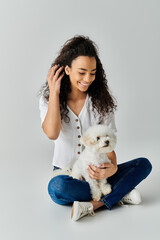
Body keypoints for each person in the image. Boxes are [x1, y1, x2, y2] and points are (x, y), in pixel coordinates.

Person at [38, 35, 152, 221]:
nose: (88, 78)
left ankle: (94, 204)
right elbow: (52, 133)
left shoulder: (101, 102)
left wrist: (112, 170)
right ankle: (120, 194)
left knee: (144, 164)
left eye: (92, 72)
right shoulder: (48, 100)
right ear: (67, 69)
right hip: (68, 174)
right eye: (82, 72)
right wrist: (54, 93)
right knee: (57, 188)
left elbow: (110, 149)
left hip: (101, 170)